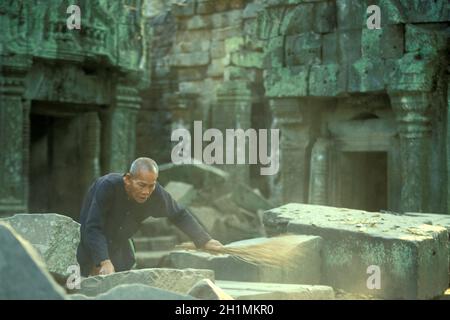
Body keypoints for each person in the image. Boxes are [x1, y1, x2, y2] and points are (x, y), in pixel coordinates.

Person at [76, 157, 223, 277]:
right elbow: (93, 228)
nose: (146, 192)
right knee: (86, 277)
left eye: (151, 185)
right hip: (92, 234)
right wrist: (103, 261)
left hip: (121, 240)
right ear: (128, 179)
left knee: (122, 276)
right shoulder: (107, 186)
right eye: (141, 185)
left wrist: (204, 240)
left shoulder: (156, 193)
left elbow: (179, 214)